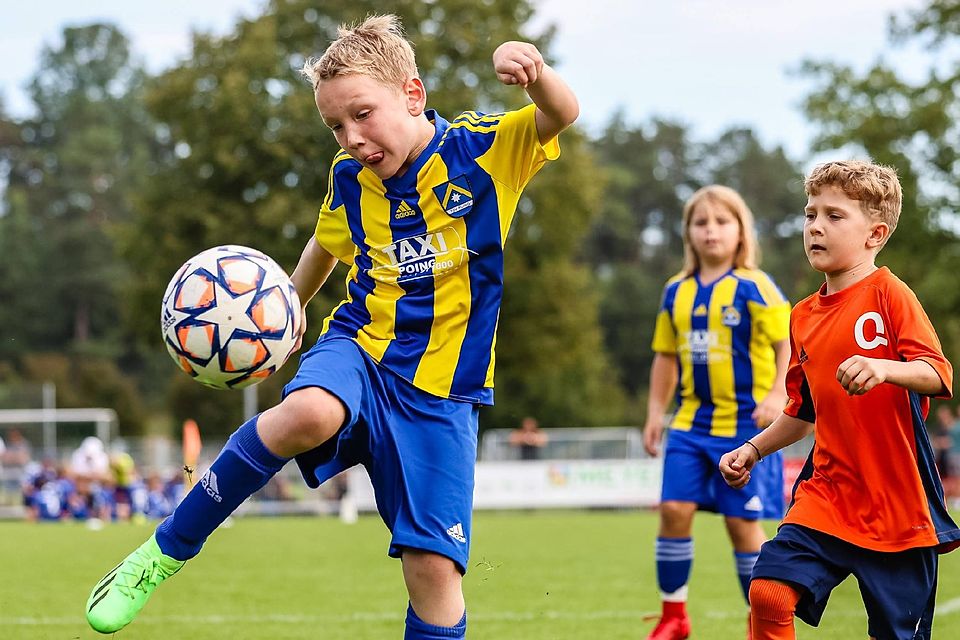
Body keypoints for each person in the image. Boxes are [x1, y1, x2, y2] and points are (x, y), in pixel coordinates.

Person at [85, 14, 578, 637]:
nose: (350, 136)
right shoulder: (350, 181)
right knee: (308, 414)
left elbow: (560, 114)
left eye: (362, 114)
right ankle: (162, 553)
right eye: (336, 125)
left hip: (444, 392)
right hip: (360, 347)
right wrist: (283, 315)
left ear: (413, 94)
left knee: (434, 573)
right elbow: (325, 246)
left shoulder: (481, 151)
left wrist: (533, 71)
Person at [719, 160, 959, 640]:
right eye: (810, 215)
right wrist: (753, 448)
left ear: (875, 233)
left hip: (897, 504)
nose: (815, 227)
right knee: (767, 591)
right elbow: (801, 413)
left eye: (833, 216)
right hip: (827, 495)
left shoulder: (890, 294)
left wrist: (884, 367)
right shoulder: (802, 316)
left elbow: (938, 373)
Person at [642, 185, 791, 640]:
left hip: (746, 427)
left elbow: (788, 344)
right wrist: (654, 412)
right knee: (673, 509)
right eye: (701, 222)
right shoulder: (676, 291)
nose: (711, 231)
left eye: (722, 222)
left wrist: (778, 392)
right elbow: (666, 356)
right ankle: (674, 618)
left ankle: (761, 621)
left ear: (741, 231)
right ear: (688, 233)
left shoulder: (755, 285)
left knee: (742, 525)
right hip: (688, 424)